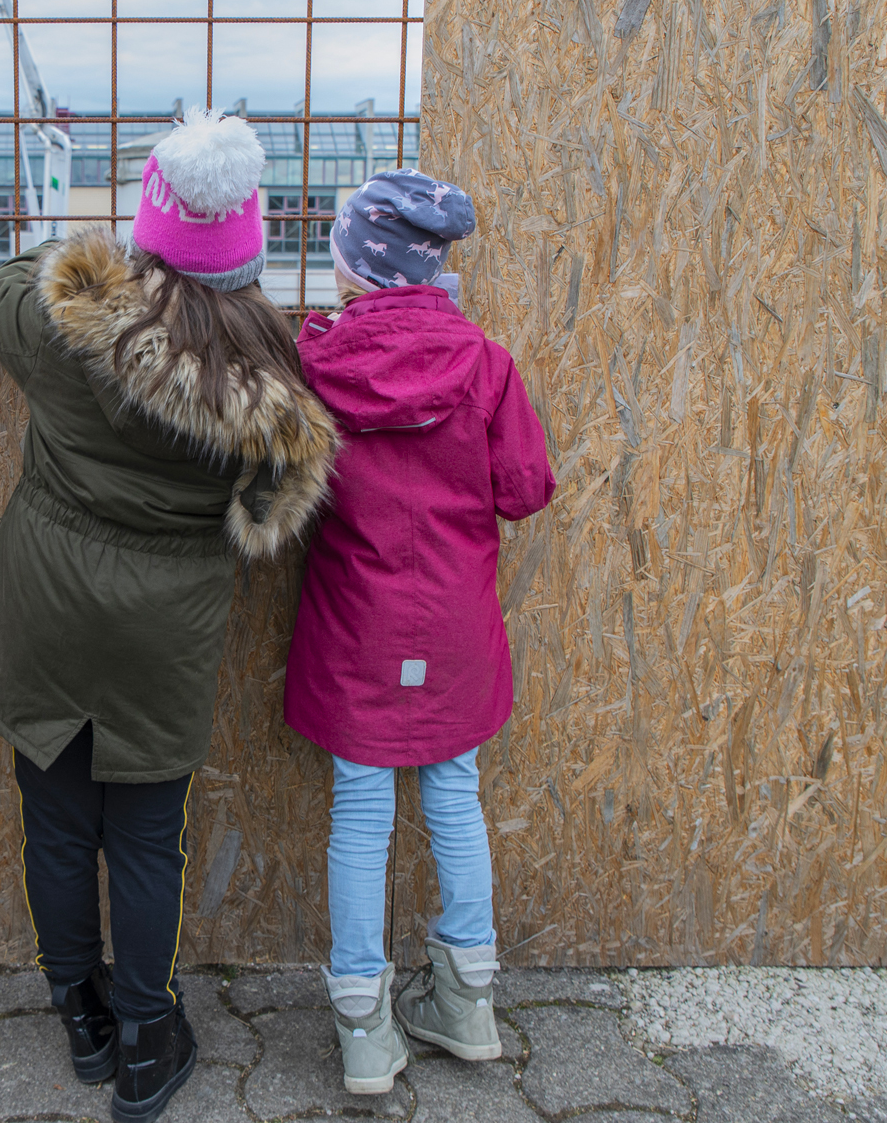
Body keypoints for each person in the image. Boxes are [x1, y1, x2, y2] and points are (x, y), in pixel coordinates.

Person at [0, 110, 339, 1123]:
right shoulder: (271, 376)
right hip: (163, 630)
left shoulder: (66, 326)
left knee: (54, 824)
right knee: (144, 841)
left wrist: (81, 258)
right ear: (246, 240)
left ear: (147, 226)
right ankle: (140, 1036)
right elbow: (269, 511)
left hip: (44, 602)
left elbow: (1, 292)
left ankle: (73, 1014)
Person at [285, 170, 555, 1095]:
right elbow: (524, 489)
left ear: (355, 266)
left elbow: (276, 500)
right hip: (454, 628)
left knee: (358, 811)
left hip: (355, 627)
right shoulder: (485, 363)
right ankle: (467, 1002)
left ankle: (363, 1025)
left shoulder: (312, 364)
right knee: (455, 794)